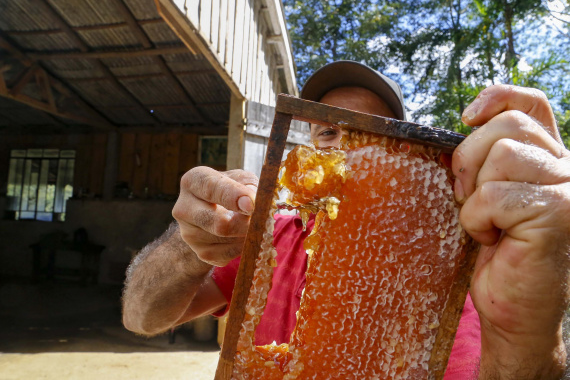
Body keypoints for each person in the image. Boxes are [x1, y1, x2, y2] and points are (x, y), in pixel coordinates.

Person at [122, 61, 570, 379]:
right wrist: (189, 245)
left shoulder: (453, 264)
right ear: (311, 147)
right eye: (330, 130)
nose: (348, 147)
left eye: (372, 131)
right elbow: (140, 318)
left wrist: (525, 342)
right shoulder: (270, 238)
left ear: (404, 156)